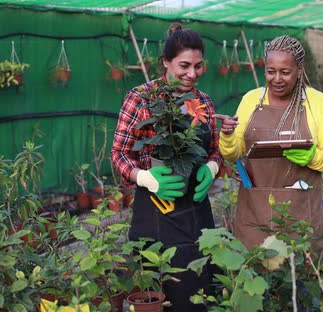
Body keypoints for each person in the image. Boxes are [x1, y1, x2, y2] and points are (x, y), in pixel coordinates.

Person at [111, 23, 222, 311]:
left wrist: (211, 168)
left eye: (198, 66)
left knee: (199, 293)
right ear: (165, 62)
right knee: (156, 295)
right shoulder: (142, 98)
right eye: (184, 65)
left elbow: (216, 151)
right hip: (155, 212)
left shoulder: (204, 102)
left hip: (197, 213)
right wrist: (145, 177)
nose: (192, 74)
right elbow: (120, 154)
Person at [218, 35, 323, 252]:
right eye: (270, 71)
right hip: (255, 207)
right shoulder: (251, 100)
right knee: (253, 268)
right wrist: (228, 136)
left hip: (301, 209)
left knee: (299, 272)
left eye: (285, 72)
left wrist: (314, 157)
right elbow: (234, 152)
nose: (277, 79)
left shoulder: (316, 102)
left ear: (299, 70)